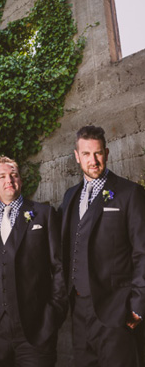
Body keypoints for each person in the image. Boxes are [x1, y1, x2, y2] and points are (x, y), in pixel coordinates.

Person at [59, 125, 145, 367]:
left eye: (98, 153)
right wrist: (3, 210)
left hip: (117, 310)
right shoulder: (70, 196)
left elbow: (142, 252)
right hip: (79, 311)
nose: (93, 160)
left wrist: (138, 305)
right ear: (77, 156)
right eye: (86, 154)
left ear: (106, 153)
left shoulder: (130, 193)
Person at [0, 156, 67, 367]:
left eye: (14, 175)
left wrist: (53, 315)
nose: (9, 180)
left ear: (21, 180)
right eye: (2, 176)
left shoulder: (44, 214)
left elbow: (59, 267)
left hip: (36, 333)